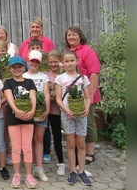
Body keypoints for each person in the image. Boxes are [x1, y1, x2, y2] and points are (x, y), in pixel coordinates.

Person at [65, 26, 101, 169]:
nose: (71, 37)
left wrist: (90, 95)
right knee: (76, 121)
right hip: (73, 96)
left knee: (88, 122)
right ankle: (78, 148)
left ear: (80, 36)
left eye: (74, 35)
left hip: (87, 92)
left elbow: (94, 73)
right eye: (69, 35)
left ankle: (90, 152)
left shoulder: (86, 50)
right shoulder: (68, 52)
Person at [54, 50, 92, 186]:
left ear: (77, 61)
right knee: (70, 143)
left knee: (81, 144)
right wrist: (66, 110)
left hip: (81, 114)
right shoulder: (60, 78)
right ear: (63, 63)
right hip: (67, 114)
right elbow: (58, 98)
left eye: (72, 60)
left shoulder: (83, 78)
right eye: (67, 61)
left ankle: (82, 170)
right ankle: (72, 171)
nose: (69, 63)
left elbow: (88, 97)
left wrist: (87, 107)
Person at [2, 56, 38, 189]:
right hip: (13, 119)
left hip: (29, 118)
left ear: (24, 67)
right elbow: (10, 99)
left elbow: (33, 97)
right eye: (14, 67)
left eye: (19, 67)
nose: (17, 69)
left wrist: (33, 111)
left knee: (27, 147)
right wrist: (16, 111)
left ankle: (29, 175)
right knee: (16, 148)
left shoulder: (29, 82)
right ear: (10, 69)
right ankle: (17, 175)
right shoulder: (8, 83)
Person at [22, 51, 51, 182]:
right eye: (32, 60)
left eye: (37, 61)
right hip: (27, 112)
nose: (34, 63)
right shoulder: (23, 76)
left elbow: (46, 94)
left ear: (40, 63)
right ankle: (30, 167)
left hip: (40, 112)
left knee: (39, 138)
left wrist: (48, 109)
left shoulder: (44, 77)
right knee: (28, 140)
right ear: (28, 61)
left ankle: (39, 167)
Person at [46, 50, 66, 176]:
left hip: (66, 109)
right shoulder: (46, 75)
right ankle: (61, 163)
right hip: (53, 110)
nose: (53, 64)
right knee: (56, 136)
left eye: (56, 62)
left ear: (60, 61)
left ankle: (77, 164)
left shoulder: (64, 73)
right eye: (51, 62)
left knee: (70, 137)